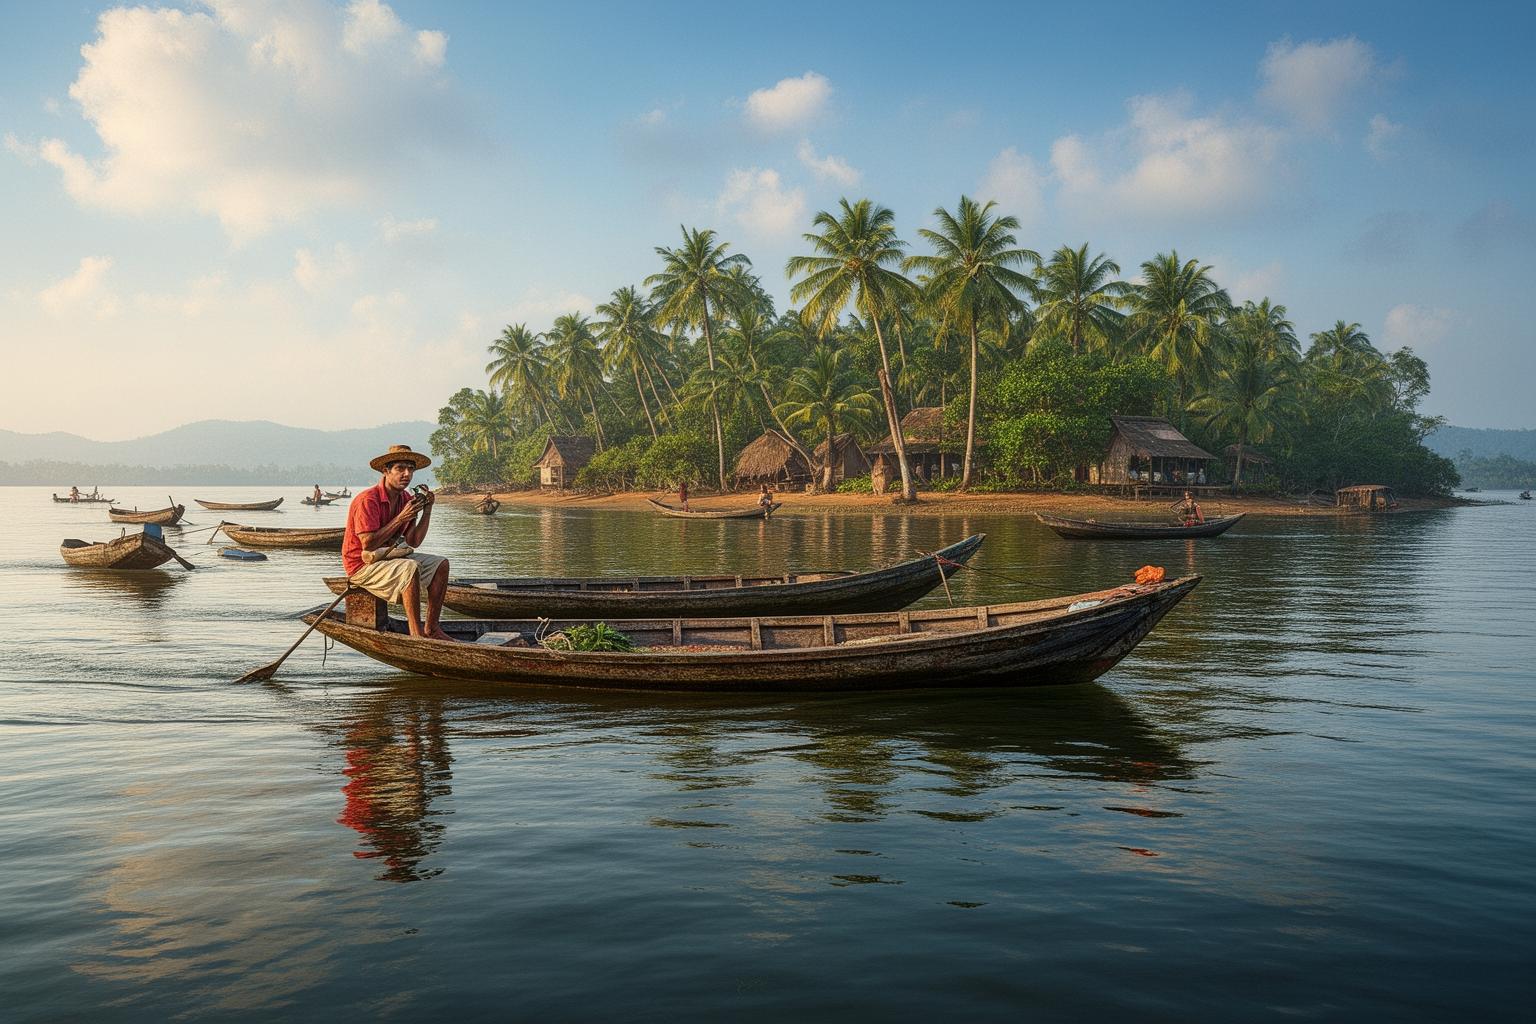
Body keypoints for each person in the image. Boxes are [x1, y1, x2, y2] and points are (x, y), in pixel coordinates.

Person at [343, 444, 452, 640]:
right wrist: (401, 518)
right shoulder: (368, 500)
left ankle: (432, 628)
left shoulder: (406, 498)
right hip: (361, 565)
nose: (406, 474)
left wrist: (427, 510)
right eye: (400, 468)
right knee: (409, 567)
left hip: (387, 559)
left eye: (410, 469)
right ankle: (416, 632)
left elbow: (414, 541)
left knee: (441, 564)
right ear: (386, 471)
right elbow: (368, 544)